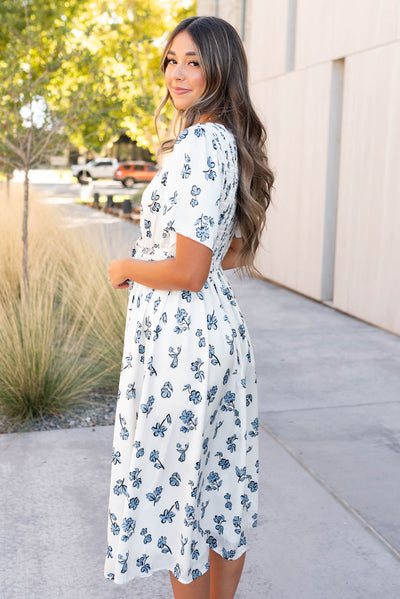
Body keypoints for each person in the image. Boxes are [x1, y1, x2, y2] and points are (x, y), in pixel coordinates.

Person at [105, 15, 274, 599]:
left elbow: (188, 270)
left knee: (182, 500)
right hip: (214, 333)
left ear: (220, 68)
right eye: (172, 60)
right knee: (219, 491)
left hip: (183, 346)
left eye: (193, 61)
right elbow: (229, 253)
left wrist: (127, 267)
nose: (177, 73)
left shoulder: (202, 145)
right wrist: (159, 262)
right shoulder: (222, 139)